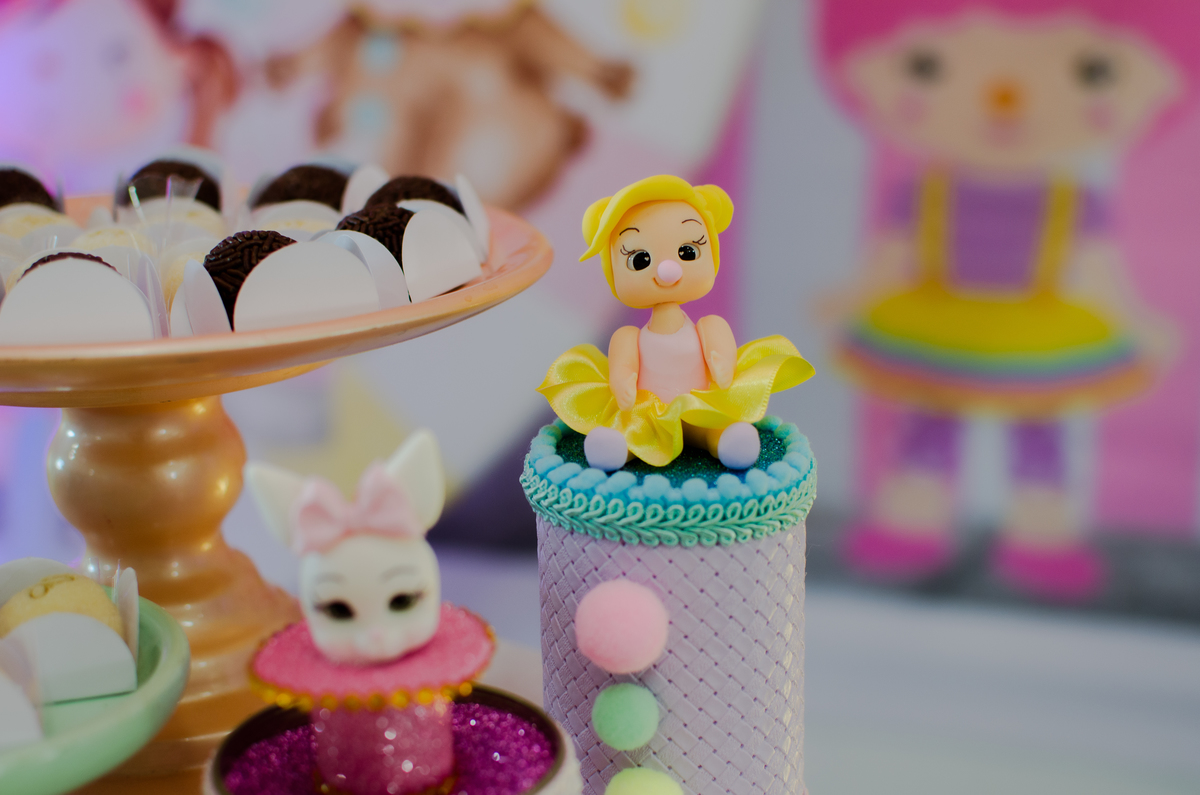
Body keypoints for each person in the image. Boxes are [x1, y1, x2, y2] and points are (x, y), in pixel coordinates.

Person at [815, 0, 1200, 601]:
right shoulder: (926, 192)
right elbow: (892, 256)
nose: (1005, 98)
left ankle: (1041, 535)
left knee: (1038, 430)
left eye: (1090, 71)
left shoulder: (1072, 201)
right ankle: (910, 522)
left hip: (1035, 332)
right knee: (928, 422)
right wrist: (852, 299)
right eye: (927, 66)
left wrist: (1133, 321)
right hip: (938, 323)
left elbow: (1097, 272)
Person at [539, 174, 813, 471]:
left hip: (701, 407)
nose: (667, 270)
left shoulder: (710, 325)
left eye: (687, 252)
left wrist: (722, 365)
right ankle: (617, 446)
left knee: (717, 426)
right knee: (632, 433)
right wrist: (623, 382)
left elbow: (723, 357)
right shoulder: (627, 336)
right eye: (640, 260)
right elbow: (622, 368)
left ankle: (725, 439)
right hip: (649, 415)